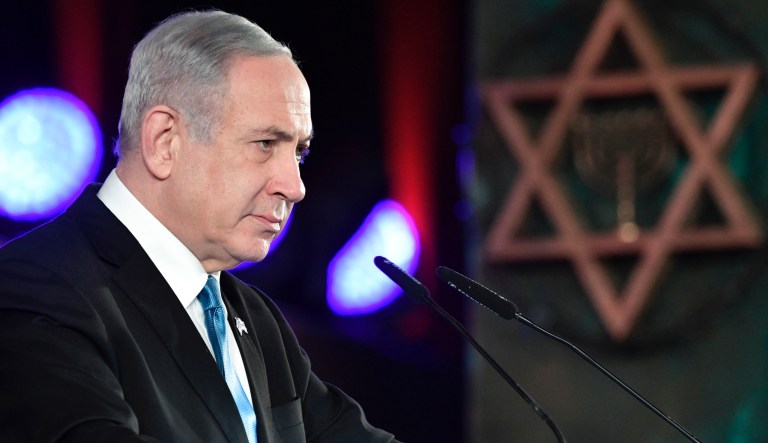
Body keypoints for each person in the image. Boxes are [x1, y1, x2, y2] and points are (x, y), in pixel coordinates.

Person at [0, 10, 398, 443]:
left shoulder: (253, 316)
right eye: (265, 144)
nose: (295, 187)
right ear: (164, 141)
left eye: (297, 153)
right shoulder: (32, 287)